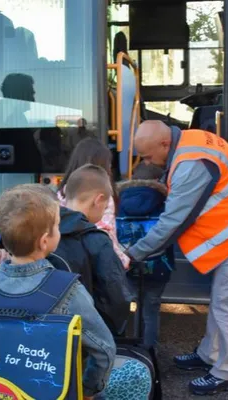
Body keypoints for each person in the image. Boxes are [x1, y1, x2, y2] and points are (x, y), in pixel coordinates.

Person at [125, 120, 228, 396]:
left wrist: (133, 254)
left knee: (227, 304)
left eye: (148, 156)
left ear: (164, 144)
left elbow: (173, 222)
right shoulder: (191, 140)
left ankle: (227, 373)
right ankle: (209, 354)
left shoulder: (190, 163)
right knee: (220, 299)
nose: (147, 162)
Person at [0, 185, 116, 400]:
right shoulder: (67, 289)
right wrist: (88, 390)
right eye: (58, 226)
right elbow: (104, 349)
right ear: (45, 240)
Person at [54, 164, 132, 335]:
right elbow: (116, 297)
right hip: (87, 334)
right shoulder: (97, 240)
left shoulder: (44, 232)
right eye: (105, 208)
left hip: (49, 330)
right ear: (98, 200)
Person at [117, 161, 174, 348]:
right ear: (158, 180)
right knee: (150, 310)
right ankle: (149, 355)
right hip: (158, 266)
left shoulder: (118, 201)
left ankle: (122, 352)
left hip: (127, 265)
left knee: (125, 307)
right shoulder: (166, 202)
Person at [58, 137, 130, 269]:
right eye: (108, 164)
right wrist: (122, 258)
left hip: (69, 260)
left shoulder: (63, 192)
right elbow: (106, 232)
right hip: (98, 262)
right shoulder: (103, 195)